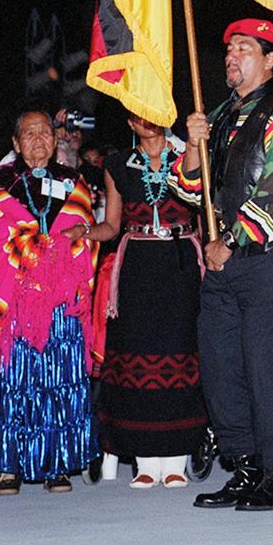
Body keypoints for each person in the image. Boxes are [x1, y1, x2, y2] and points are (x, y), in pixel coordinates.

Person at [170, 18, 273, 513]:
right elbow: (189, 191)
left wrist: (230, 241)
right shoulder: (217, 116)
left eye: (245, 48)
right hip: (221, 266)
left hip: (268, 261)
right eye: (229, 48)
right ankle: (244, 466)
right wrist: (194, 145)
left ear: (270, 59)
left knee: (265, 368)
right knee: (220, 367)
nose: (232, 56)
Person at [0, 109, 96, 495]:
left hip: (59, 305)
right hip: (17, 303)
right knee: (15, 382)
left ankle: (58, 465)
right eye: (29, 133)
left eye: (44, 132)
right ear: (15, 143)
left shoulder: (74, 183)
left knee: (59, 381)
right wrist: (25, 253)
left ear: (55, 141)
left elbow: (85, 236)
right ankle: (10, 466)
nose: (38, 139)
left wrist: (58, 253)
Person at [88, 114, 206, 488]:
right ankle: (144, 461)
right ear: (129, 121)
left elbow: (205, 218)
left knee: (180, 351)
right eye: (138, 115)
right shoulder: (118, 164)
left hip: (181, 263)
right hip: (137, 265)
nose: (147, 121)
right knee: (136, 355)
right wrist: (78, 232)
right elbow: (111, 225)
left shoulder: (190, 154)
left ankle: (176, 458)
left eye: (153, 111)